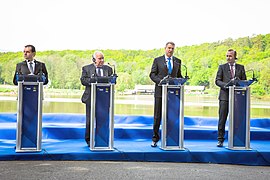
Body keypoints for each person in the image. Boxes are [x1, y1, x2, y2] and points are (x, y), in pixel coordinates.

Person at [149, 42, 183, 147]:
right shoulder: (157, 60)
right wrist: (161, 82)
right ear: (165, 48)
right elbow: (152, 75)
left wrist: (182, 80)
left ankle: (169, 138)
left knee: (171, 117)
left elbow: (179, 75)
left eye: (172, 48)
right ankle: (155, 139)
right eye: (169, 48)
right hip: (160, 92)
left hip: (172, 94)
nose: (170, 50)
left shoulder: (177, 61)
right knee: (157, 116)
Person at [80, 51, 113, 147]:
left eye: (103, 58)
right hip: (90, 98)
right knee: (90, 120)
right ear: (94, 59)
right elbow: (83, 80)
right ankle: (89, 140)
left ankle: (102, 139)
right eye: (100, 58)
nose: (102, 60)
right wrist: (93, 81)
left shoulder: (109, 69)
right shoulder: (86, 68)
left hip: (104, 99)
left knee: (103, 120)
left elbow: (112, 81)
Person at [215, 49, 246, 147]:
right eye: (227, 56)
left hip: (237, 98)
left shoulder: (241, 68)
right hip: (224, 97)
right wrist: (226, 85)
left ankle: (237, 139)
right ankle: (220, 140)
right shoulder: (222, 67)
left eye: (230, 56)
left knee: (238, 119)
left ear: (235, 57)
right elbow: (217, 81)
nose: (228, 58)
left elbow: (244, 81)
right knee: (222, 119)